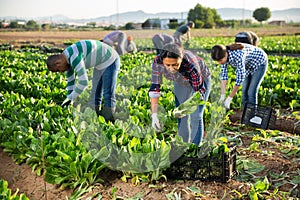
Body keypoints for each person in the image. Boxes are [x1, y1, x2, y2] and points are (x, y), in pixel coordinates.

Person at [149, 43, 211, 145]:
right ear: (162, 61)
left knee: (196, 116)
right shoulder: (157, 62)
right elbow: (155, 88)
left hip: (201, 81)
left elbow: (198, 94)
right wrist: (154, 115)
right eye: (167, 65)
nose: (171, 68)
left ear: (181, 60)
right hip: (180, 81)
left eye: (175, 64)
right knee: (180, 115)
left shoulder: (191, 65)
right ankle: (183, 145)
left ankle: (195, 149)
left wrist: (188, 107)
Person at [46, 40, 120, 122]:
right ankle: (94, 117)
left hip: (110, 59)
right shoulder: (66, 59)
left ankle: (109, 119)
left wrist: (70, 97)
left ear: (58, 63)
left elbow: (84, 83)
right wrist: (68, 100)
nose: (60, 72)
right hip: (100, 64)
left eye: (57, 70)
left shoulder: (74, 57)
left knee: (108, 93)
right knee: (95, 92)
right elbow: (71, 82)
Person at [211, 43, 268, 110]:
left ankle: (252, 115)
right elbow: (224, 76)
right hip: (247, 66)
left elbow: (239, 80)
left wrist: (229, 98)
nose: (219, 63)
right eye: (217, 61)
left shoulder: (238, 55)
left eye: (220, 60)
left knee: (251, 92)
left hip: (259, 62)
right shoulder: (222, 56)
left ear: (226, 54)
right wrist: (222, 95)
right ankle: (245, 113)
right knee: (244, 91)